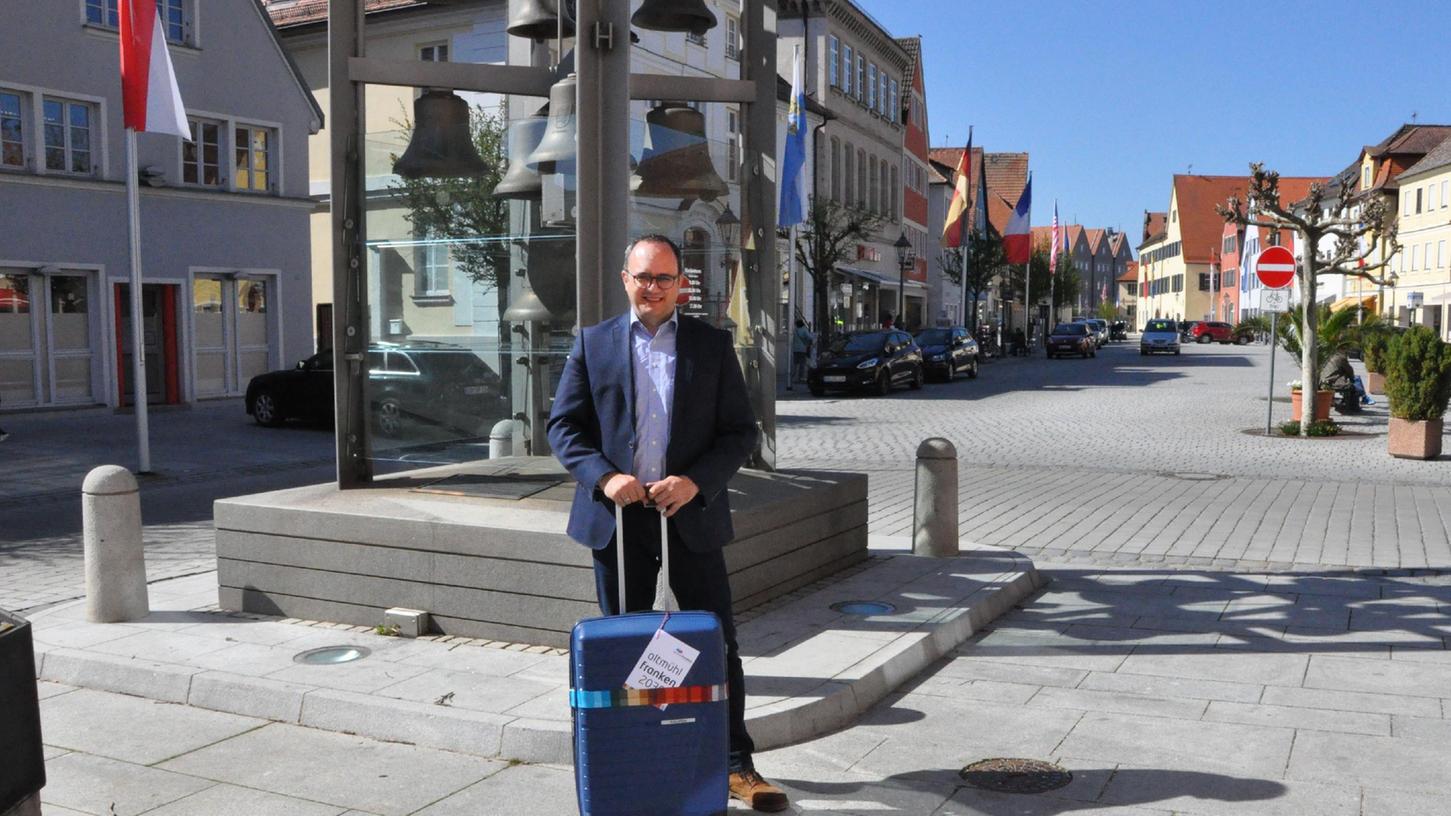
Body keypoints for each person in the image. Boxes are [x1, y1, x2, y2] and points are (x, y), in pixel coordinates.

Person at [546, 234, 789, 813]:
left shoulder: (710, 344)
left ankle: (736, 766)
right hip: (619, 521)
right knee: (625, 645)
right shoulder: (593, 342)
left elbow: (740, 432)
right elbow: (563, 428)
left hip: (691, 517)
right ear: (624, 279)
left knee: (717, 645)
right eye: (642, 277)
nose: (652, 288)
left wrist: (696, 481)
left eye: (664, 278)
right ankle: (631, 758)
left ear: (681, 282)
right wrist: (604, 478)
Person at [791, 319, 814, 384]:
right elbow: (810, 337)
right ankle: (800, 378)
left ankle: (793, 377)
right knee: (802, 364)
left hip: (795, 349)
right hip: (802, 349)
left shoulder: (795, 330)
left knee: (795, 363)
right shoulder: (804, 329)